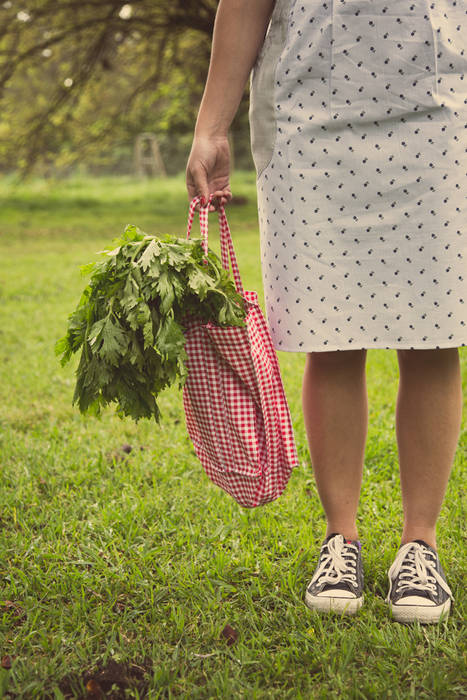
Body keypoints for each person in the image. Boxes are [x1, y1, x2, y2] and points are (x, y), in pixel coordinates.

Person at [185, 0, 465, 624]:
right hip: (310, 115)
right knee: (329, 335)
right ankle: (342, 541)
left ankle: (420, 546)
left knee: (436, 334)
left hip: (442, 111)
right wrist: (211, 126)